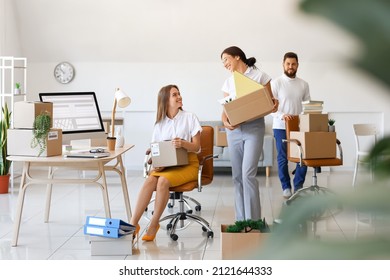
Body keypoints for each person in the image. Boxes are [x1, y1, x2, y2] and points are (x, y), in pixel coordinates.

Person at [130, 84, 202, 241]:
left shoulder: (190, 117)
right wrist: (155, 162)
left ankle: (154, 224)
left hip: (188, 164)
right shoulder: (159, 123)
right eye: (174, 95)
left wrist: (183, 143)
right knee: (150, 180)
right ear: (166, 100)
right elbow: (157, 150)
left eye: (179, 94)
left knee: (162, 181)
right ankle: (133, 224)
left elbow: (197, 148)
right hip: (167, 164)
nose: (179, 97)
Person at [220, 46, 278, 221]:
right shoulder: (228, 82)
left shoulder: (260, 76)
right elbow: (225, 110)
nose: (224, 64)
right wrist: (225, 122)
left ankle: (253, 221)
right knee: (237, 177)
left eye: (225, 59)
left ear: (237, 57)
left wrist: (273, 106)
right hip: (234, 132)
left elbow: (269, 105)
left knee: (248, 174)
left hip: (254, 129)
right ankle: (240, 220)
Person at [271, 52, 311, 199]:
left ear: (297, 65)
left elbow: (308, 106)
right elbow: (271, 107)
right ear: (283, 64)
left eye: (293, 64)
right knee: (283, 158)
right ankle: (286, 187)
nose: (290, 66)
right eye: (288, 64)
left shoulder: (303, 84)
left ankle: (298, 186)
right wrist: (282, 115)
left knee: (303, 156)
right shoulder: (276, 83)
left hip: (300, 127)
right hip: (280, 126)